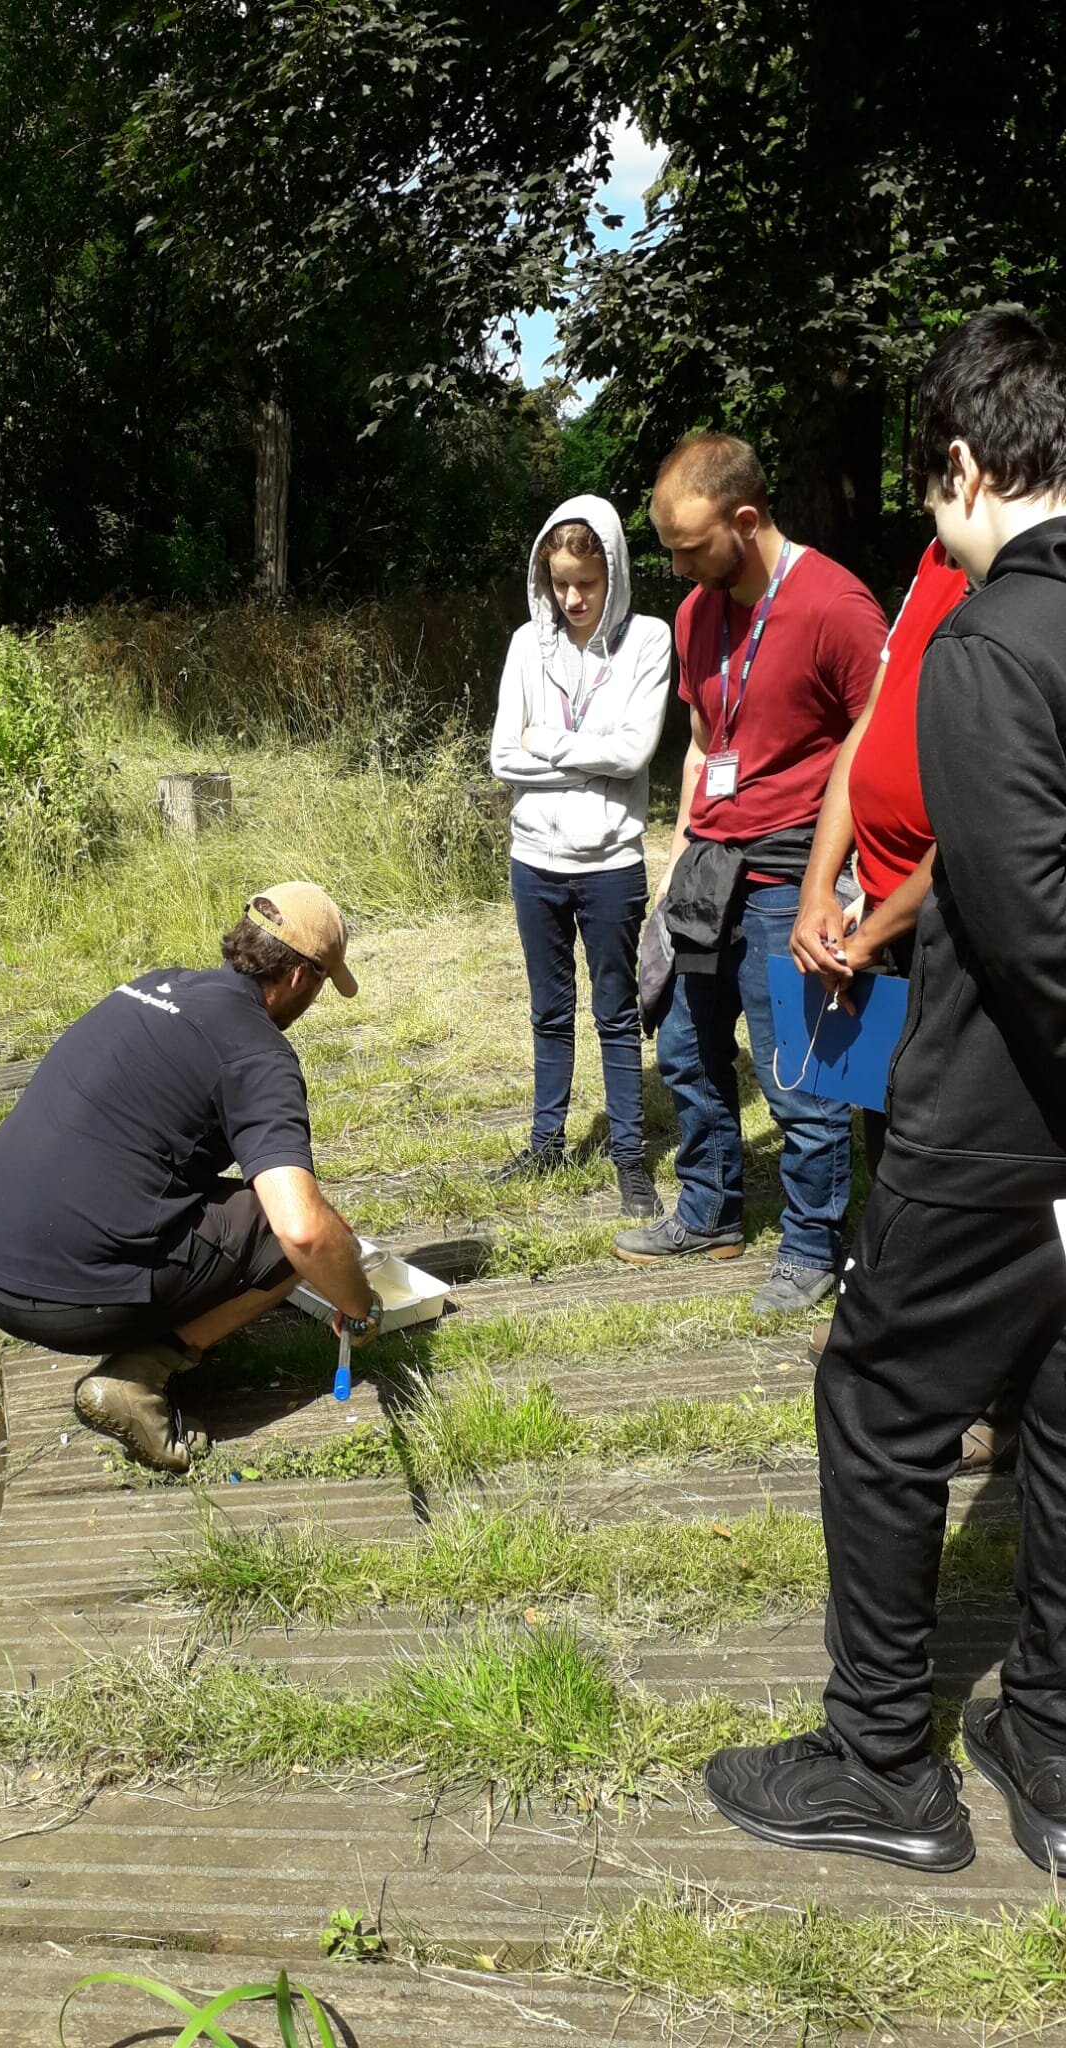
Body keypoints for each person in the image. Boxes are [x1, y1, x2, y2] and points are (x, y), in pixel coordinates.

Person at [704, 307, 1066, 1875]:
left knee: (877, 1402)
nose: (934, 525)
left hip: (996, 1121)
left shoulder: (993, 645)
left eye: (933, 494)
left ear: (973, 470)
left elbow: (1030, 920)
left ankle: (880, 1764)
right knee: (1057, 1418)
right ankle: (1048, 1744)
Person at [0, 884, 383, 1473]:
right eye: (326, 984)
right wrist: (358, 1304)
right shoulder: (257, 1054)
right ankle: (140, 1375)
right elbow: (303, 1231)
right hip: (63, 1299)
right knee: (302, 1240)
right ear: (301, 980)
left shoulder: (151, 987)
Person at [613, 436, 888, 1314]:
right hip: (710, 863)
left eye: (691, 546)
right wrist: (677, 859)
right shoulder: (699, 611)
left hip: (795, 868)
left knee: (803, 1071)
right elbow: (705, 745)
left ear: (746, 518)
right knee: (688, 1049)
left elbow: (875, 747)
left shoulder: (836, 604)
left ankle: (813, 1244)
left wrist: (847, 888)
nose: (679, 567)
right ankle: (710, 1211)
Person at [786, 538, 1016, 1474]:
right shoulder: (937, 560)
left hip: (948, 922)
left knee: (965, 1155)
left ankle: (980, 1391)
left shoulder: (1017, 583)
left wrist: (878, 928)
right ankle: (898, 1337)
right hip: (876, 912)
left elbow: (982, 814)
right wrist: (820, 883)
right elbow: (869, 726)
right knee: (892, 1126)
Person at [489, 495, 672, 1218]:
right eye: (560, 582)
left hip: (609, 865)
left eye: (587, 584)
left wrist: (551, 746)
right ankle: (545, 1142)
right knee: (548, 1010)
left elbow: (634, 753)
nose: (572, 599)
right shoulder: (524, 647)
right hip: (534, 859)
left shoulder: (648, 641)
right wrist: (587, 761)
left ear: (614, 572)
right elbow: (505, 757)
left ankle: (630, 1157)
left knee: (617, 1013)